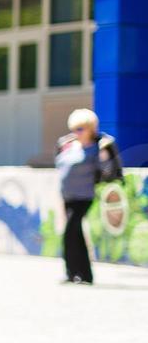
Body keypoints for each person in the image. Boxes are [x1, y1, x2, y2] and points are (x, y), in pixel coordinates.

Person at [54, 109, 122, 285]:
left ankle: (77, 273)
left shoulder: (97, 148)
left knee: (70, 233)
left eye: (81, 129)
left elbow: (107, 171)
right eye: (75, 129)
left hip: (83, 196)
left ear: (91, 129)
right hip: (67, 196)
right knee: (75, 234)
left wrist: (104, 155)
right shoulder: (69, 145)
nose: (77, 133)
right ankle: (80, 274)